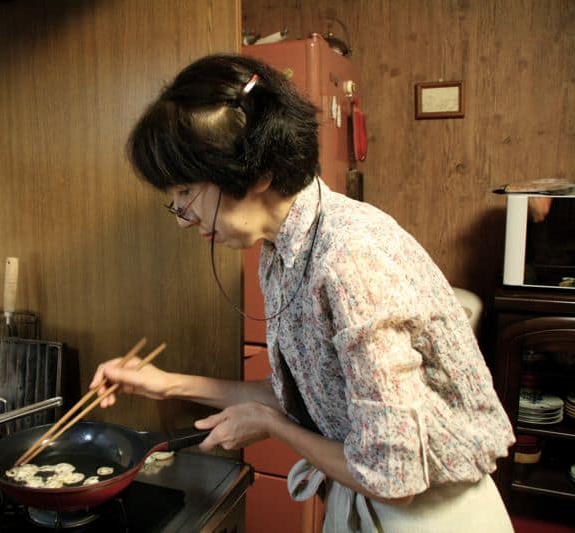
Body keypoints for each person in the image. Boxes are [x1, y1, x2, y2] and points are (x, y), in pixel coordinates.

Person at [90, 54, 515, 532]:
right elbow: (311, 395)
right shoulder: (281, 248)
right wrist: (165, 383)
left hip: (432, 516)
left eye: (186, 192)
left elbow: (393, 475)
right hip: (368, 500)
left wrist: (272, 428)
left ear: (257, 174)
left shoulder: (350, 259)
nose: (182, 215)